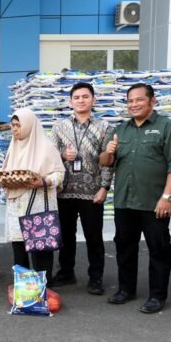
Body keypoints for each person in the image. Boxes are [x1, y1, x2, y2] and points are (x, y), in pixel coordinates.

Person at [100, 83, 171, 314]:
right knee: (124, 247)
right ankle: (126, 289)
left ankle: (157, 296)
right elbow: (106, 162)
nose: (133, 104)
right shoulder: (120, 129)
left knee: (159, 249)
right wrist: (108, 151)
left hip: (154, 202)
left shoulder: (168, 128)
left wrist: (167, 197)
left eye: (139, 100)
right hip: (125, 201)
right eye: (130, 101)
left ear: (152, 101)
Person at [50, 82, 113, 294]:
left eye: (85, 96)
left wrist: (104, 187)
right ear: (70, 101)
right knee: (65, 236)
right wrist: (61, 155)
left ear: (93, 100)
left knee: (93, 237)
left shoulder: (104, 127)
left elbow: (108, 161)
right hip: (64, 191)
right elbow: (49, 156)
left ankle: (96, 278)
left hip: (92, 192)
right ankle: (66, 272)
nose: (81, 100)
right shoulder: (60, 127)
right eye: (76, 97)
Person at [4, 109, 65, 280]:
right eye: (13, 125)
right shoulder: (13, 147)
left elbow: (60, 174)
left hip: (37, 204)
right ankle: (23, 287)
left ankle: (43, 286)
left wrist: (44, 182)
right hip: (16, 205)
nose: (14, 129)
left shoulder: (46, 147)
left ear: (29, 125)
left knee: (40, 246)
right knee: (19, 246)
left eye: (18, 125)